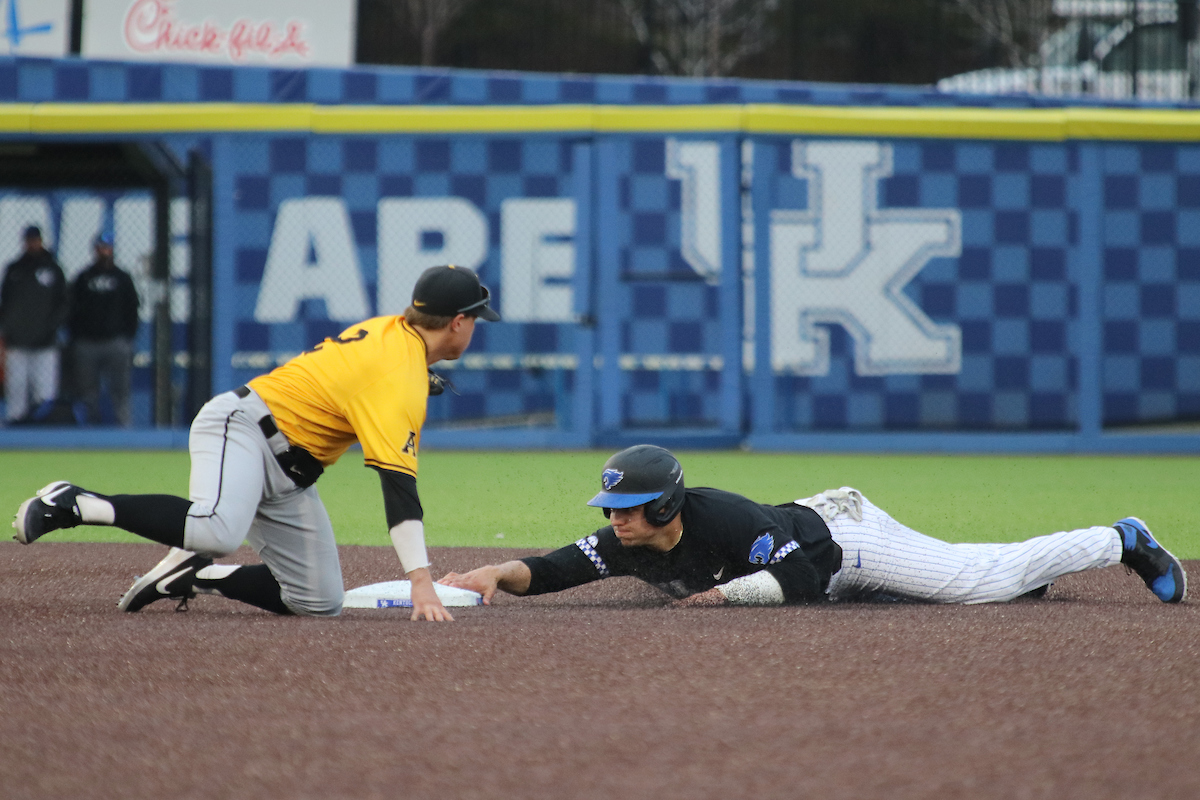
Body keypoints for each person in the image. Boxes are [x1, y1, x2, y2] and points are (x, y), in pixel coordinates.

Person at [13, 264, 500, 622]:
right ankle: (73, 503)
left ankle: (196, 575)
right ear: (457, 321)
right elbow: (398, 488)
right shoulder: (400, 377)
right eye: (475, 319)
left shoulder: (393, 331)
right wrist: (421, 582)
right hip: (244, 428)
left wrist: (411, 374)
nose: (476, 328)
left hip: (289, 474)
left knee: (319, 601)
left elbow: (360, 373)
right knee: (219, 530)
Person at [439, 445, 1187, 607]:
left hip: (842, 540)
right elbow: (559, 568)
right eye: (611, 510)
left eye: (628, 508)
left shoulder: (722, 516)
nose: (615, 522)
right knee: (960, 590)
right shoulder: (623, 543)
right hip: (809, 546)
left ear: (665, 505)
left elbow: (801, 574)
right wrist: (500, 576)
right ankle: (1038, 578)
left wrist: (729, 598)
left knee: (972, 581)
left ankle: (1122, 538)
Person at [69, 233, 140, 426]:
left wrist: (127, 337)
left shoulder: (123, 278)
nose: (104, 251)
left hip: (115, 342)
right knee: (87, 391)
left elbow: (132, 309)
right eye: (101, 247)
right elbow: (72, 310)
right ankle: (88, 429)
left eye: (107, 247)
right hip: (87, 343)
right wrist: (77, 337)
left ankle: (124, 430)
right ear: (95, 250)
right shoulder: (83, 278)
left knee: (120, 390)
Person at [0, 225, 68, 424]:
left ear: (41, 241)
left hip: (45, 342)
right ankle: (14, 425)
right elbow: (5, 303)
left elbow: (63, 304)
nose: (32, 243)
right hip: (17, 341)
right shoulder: (14, 269)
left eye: (35, 239)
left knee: (45, 391)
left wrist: (51, 328)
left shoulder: (53, 268)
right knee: (16, 388)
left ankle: (45, 427)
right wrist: (8, 330)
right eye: (29, 240)